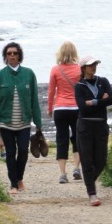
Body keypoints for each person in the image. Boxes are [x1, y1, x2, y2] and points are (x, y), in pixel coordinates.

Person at [0, 42, 42, 194]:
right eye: (9, 53)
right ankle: (14, 184)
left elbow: (34, 100)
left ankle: (19, 178)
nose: (12, 55)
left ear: (19, 56)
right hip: (5, 122)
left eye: (15, 53)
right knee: (11, 152)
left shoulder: (29, 74)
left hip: (24, 122)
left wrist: (38, 122)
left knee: (23, 150)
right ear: (5, 56)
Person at [74, 55, 112, 207]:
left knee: (101, 160)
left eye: (95, 64)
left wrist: (94, 101)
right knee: (87, 160)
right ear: (83, 68)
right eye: (90, 65)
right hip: (85, 127)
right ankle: (92, 193)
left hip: (101, 126)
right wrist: (101, 100)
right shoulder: (79, 86)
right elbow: (82, 107)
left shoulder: (103, 81)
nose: (94, 67)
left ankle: (89, 181)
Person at [47, 41, 82, 184]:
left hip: (60, 108)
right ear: (74, 53)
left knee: (61, 139)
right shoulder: (79, 70)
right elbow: (82, 90)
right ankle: (76, 168)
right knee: (77, 138)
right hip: (76, 108)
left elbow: (51, 91)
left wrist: (50, 108)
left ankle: (62, 174)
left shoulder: (55, 69)